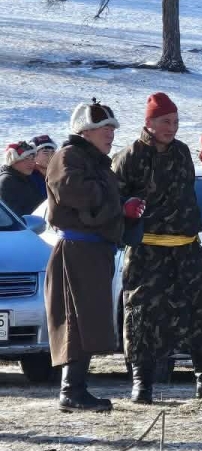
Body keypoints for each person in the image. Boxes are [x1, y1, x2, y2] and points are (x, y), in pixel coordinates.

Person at [112, 92, 202, 403]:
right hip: (148, 251)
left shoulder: (182, 152)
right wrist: (126, 209)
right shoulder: (129, 157)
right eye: (165, 122)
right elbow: (113, 201)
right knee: (142, 315)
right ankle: (142, 382)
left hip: (187, 249)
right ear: (149, 122)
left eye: (175, 122)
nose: (171, 128)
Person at [44, 101, 143, 412]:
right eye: (104, 128)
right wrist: (118, 204)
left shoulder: (95, 161)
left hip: (93, 250)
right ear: (85, 131)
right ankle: (71, 391)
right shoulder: (68, 156)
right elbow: (73, 192)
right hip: (77, 251)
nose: (110, 134)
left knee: (87, 319)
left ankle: (76, 389)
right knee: (76, 319)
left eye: (112, 128)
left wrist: (125, 210)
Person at [0, 141, 44, 216]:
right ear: (12, 160)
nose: (31, 163)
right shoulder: (7, 182)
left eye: (32, 158)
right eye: (26, 159)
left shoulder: (25, 177)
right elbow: (12, 216)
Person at [30, 134, 57, 198]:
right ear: (34, 156)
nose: (50, 156)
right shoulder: (28, 177)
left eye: (52, 152)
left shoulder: (58, 173)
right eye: (45, 152)